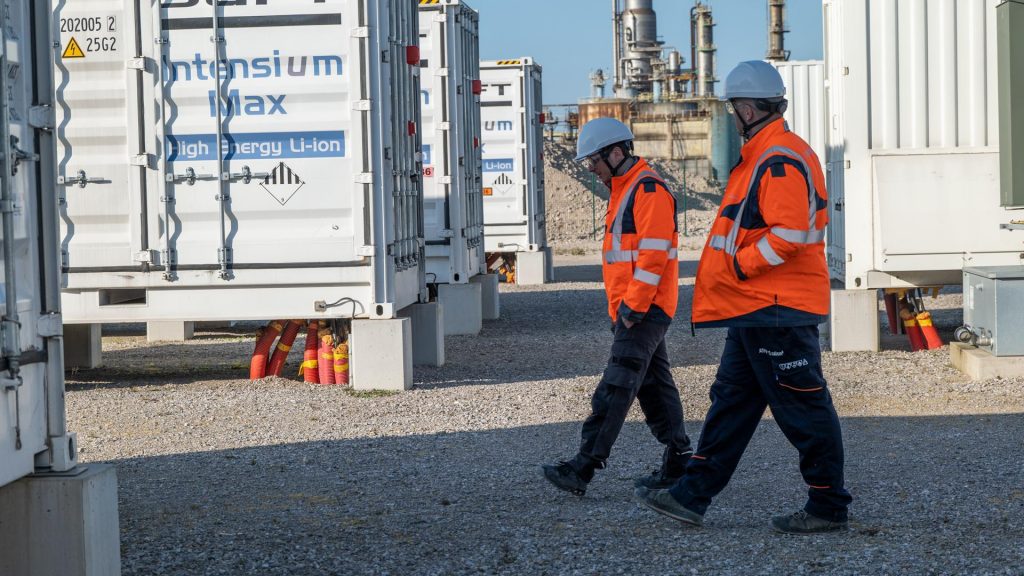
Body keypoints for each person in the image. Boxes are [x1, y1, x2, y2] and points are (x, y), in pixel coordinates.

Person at [634, 60, 853, 534]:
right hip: (756, 309)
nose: (732, 116)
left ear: (750, 108)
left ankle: (828, 505)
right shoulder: (764, 153)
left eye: (734, 108)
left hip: (775, 308)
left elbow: (790, 234)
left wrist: (738, 265)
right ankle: (691, 495)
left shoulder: (777, 159)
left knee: (804, 405)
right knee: (731, 402)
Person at [542, 118, 693, 496]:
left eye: (592, 161)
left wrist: (632, 308)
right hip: (633, 309)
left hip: (642, 310)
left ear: (616, 152)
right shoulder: (624, 189)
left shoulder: (648, 190)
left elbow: (653, 258)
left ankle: (583, 467)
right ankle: (680, 461)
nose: (589, 169)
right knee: (655, 387)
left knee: (616, 386)